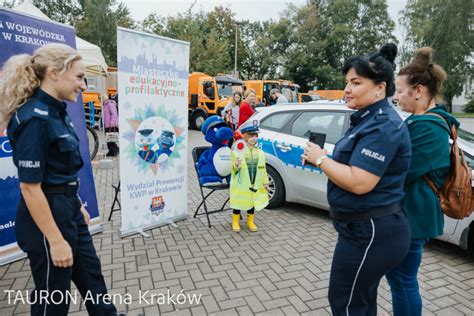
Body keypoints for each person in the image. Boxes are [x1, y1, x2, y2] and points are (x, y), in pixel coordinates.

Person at [1, 44, 117, 315]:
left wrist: (76, 204)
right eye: (78, 77)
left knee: (93, 280)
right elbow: (30, 188)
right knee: (54, 299)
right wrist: (55, 240)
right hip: (46, 218)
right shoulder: (33, 118)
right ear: (54, 73)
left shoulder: (57, 111)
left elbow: (59, 169)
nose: (83, 85)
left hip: (68, 210)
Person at [302, 43, 412, 316]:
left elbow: (361, 182)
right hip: (362, 229)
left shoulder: (382, 125)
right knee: (360, 301)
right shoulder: (366, 119)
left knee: (346, 302)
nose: (347, 89)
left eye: (355, 82)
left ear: (379, 88)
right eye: (346, 82)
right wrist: (323, 159)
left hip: (370, 231)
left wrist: (320, 159)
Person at [386, 47, 458, 316]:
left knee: (402, 281)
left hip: (413, 216)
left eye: (400, 90)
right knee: (400, 280)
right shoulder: (423, 121)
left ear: (418, 90)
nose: (396, 96)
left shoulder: (428, 126)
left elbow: (400, 171)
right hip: (411, 213)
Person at [230, 119, 269, 232]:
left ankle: (250, 221)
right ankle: (235, 221)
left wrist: (265, 182)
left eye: (256, 135)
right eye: (251, 135)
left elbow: (263, 169)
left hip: (254, 183)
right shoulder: (238, 151)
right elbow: (232, 169)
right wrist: (235, 165)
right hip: (241, 185)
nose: (254, 138)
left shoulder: (260, 153)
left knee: (252, 203)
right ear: (245, 136)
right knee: (238, 202)